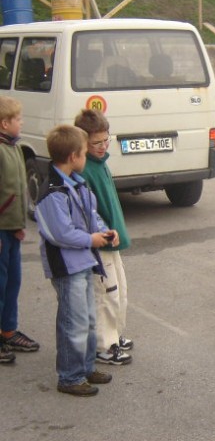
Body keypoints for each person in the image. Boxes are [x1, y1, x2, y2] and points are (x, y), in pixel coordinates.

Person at [34, 124, 117, 396]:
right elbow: (61, 234)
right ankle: (70, 377)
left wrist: (104, 231)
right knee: (74, 321)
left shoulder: (78, 184)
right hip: (67, 266)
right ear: (73, 157)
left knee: (89, 319)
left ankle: (85, 367)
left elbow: (91, 214)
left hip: (83, 262)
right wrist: (91, 240)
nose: (86, 157)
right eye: (84, 152)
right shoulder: (52, 193)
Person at [75, 109, 133, 366]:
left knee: (120, 289)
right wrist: (104, 233)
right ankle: (103, 345)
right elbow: (89, 211)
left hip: (113, 240)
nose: (102, 146)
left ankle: (115, 335)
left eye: (106, 140)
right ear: (83, 143)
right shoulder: (85, 170)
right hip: (101, 241)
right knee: (106, 293)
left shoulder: (101, 164)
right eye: (96, 143)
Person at [0, 95, 39, 363]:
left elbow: (17, 190)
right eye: (18, 119)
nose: (22, 122)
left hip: (12, 229)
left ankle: (8, 331)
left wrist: (19, 226)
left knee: (13, 283)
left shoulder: (14, 147)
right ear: (4, 123)